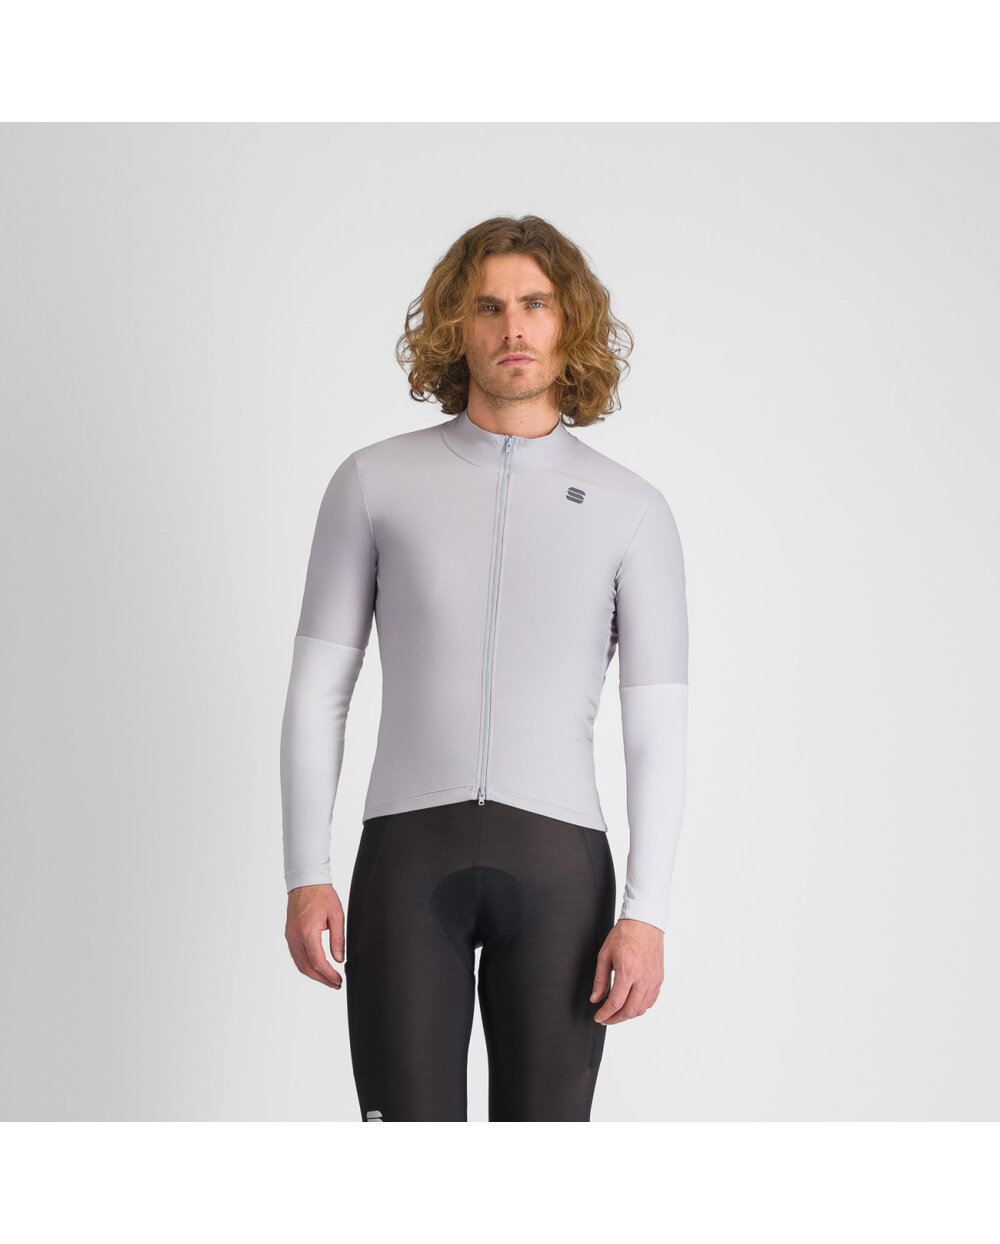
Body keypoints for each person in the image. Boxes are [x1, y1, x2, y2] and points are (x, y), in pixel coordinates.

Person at [279, 215, 689, 1121]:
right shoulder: (372, 482)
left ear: (569, 323)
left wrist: (646, 911)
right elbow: (318, 691)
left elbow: (656, 728)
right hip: (405, 862)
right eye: (488, 306)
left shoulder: (632, 509)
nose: (514, 328)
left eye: (536, 304)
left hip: (559, 874)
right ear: (453, 327)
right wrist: (306, 870)